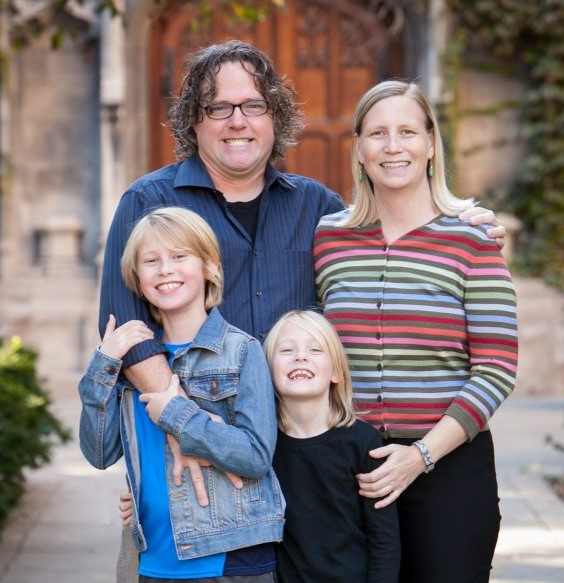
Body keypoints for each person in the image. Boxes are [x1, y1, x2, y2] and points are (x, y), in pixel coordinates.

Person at [100, 39, 506, 580]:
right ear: (192, 122)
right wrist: (185, 429)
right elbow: (127, 333)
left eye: (253, 106)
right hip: (191, 474)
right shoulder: (148, 202)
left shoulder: (319, 209)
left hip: (303, 460)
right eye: (217, 108)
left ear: (276, 116)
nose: (236, 122)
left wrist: (466, 221)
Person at [313, 80, 519, 583]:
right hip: (350, 469)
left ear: (430, 144)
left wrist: (420, 456)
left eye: (407, 131)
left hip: (449, 471)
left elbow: (496, 368)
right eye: (377, 133)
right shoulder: (329, 238)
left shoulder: (472, 238)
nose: (392, 146)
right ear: (359, 149)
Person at [79, 206, 285, 582]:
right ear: (136, 278)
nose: (165, 269)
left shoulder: (241, 352)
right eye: (151, 261)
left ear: (210, 267)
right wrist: (104, 364)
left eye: (179, 256)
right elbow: (98, 454)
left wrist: (175, 412)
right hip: (151, 559)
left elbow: (255, 456)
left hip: (227, 559)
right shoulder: (130, 367)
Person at [263, 310, 401, 583]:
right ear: (267, 369)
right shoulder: (263, 445)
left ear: (336, 371)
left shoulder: (363, 442)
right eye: (287, 349)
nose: (300, 356)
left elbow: (384, 539)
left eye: (315, 349)